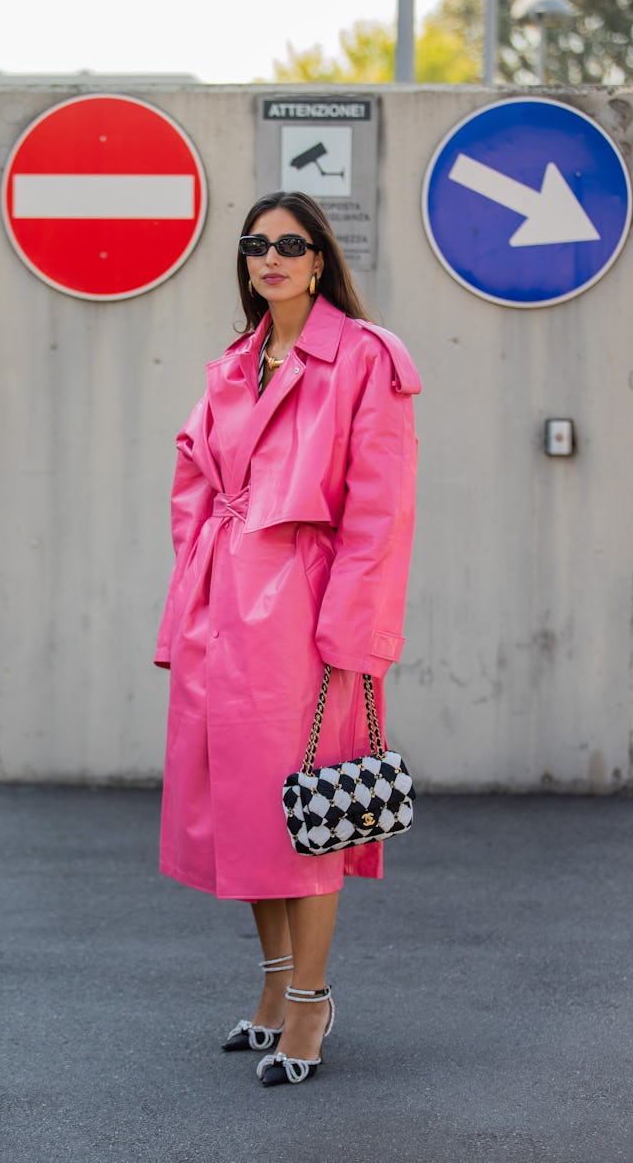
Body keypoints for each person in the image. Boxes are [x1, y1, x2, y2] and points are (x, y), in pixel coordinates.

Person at [154, 191, 420, 1087]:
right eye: (256, 244)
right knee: (245, 811)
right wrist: (194, 582)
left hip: (307, 619)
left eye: (290, 244)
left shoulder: (365, 359)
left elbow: (380, 511)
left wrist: (353, 635)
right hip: (222, 612)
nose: (271, 257)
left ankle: (311, 1003)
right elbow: (193, 478)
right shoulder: (233, 363)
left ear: (319, 259)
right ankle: (273, 990)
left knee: (307, 813)